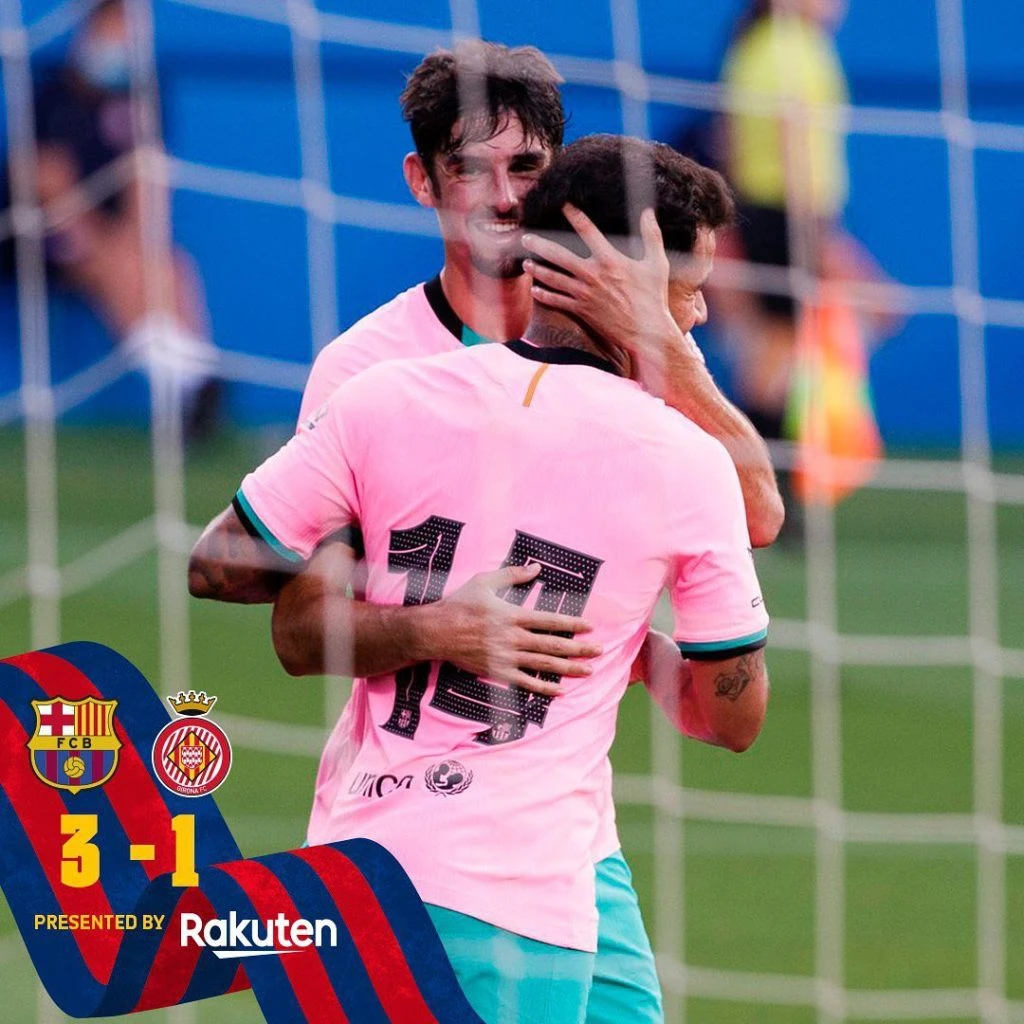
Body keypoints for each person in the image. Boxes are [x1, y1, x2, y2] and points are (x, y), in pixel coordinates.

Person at [205, 41, 783, 1024]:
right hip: (409, 808)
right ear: (422, 180)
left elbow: (756, 513)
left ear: (557, 182)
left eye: (525, 167)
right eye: (471, 167)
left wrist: (664, 348)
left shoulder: (634, 354)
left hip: (564, 827)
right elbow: (299, 631)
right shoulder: (368, 373)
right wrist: (440, 626)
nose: (503, 195)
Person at [3, 0, 220, 437]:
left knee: (171, 265)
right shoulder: (54, 93)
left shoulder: (142, 96)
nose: (125, 40)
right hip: (36, 232)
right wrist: (105, 239)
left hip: (104, 232)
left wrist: (140, 240)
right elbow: (45, 178)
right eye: (117, 27)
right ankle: (184, 379)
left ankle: (197, 377)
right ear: (92, 27)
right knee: (110, 263)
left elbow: (146, 178)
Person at [716, 0, 890, 517]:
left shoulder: (755, 46)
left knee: (776, 354)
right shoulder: (790, 48)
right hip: (790, 215)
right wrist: (818, 235)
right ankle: (765, 495)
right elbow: (790, 141)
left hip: (770, 213)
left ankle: (766, 491)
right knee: (778, 356)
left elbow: (730, 140)